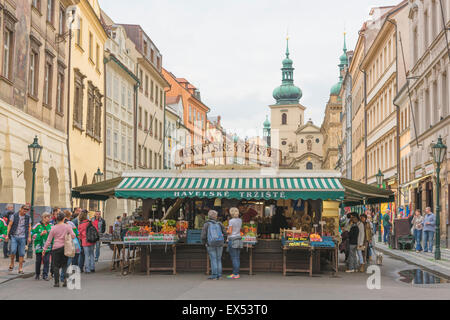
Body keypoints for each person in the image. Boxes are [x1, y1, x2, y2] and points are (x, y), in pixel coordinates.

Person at [43, 212, 75, 287]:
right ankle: (65, 280)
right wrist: (67, 235)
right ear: (64, 219)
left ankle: (56, 282)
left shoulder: (53, 228)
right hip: (65, 247)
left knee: (56, 266)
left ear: (57, 219)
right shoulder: (68, 226)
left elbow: (49, 240)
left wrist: (44, 249)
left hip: (56, 248)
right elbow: (73, 236)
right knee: (64, 265)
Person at [6, 205, 31, 274]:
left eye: (27, 210)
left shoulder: (28, 217)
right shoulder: (14, 215)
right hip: (14, 236)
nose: (25, 211)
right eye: (24, 209)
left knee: (22, 253)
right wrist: (7, 234)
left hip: (23, 237)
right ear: (20, 209)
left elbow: (29, 227)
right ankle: (12, 263)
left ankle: (20, 268)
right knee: (13, 250)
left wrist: (29, 237)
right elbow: (9, 225)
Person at [201, 210, 226, 280]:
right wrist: (224, 241)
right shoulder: (220, 224)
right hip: (220, 243)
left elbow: (203, 235)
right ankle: (219, 275)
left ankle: (214, 275)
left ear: (208, 216)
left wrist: (204, 242)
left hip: (210, 243)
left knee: (213, 259)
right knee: (218, 259)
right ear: (216, 216)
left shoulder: (206, 224)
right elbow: (225, 233)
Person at [31, 212, 52, 280]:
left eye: (50, 217)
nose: (49, 219)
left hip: (48, 247)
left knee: (46, 261)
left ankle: (45, 275)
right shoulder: (37, 225)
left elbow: (54, 236)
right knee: (38, 260)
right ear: (43, 218)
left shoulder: (51, 225)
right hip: (39, 246)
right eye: (48, 217)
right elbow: (32, 234)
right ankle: (37, 274)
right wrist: (40, 234)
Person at [227, 207, 242, 279]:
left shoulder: (231, 221)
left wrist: (225, 230)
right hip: (239, 238)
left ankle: (235, 274)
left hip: (232, 239)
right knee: (237, 257)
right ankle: (237, 273)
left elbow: (229, 231)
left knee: (234, 257)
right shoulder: (240, 220)